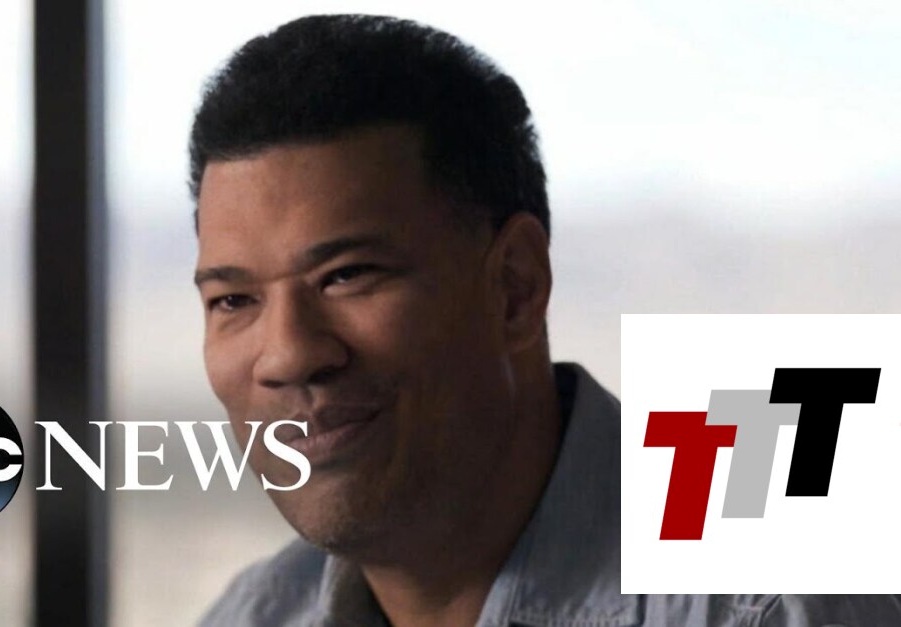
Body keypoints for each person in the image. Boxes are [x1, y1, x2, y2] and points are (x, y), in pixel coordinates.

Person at [188, 14, 901, 627]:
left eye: (347, 275)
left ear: (515, 287)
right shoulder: (255, 613)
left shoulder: (775, 595)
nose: (287, 354)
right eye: (233, 301)